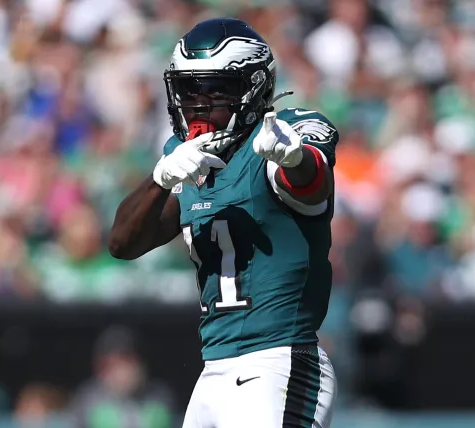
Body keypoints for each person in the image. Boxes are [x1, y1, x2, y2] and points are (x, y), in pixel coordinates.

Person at [109, 18, 338, 428]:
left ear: (252, 88)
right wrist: (160, 178)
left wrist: (294, 158)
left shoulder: (280, 136)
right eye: (188, 90)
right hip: (213, 372)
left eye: (214, 89)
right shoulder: (185, 156)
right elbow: (123, 243)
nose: (197, 103)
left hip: (277, 363)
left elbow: (312, 188)